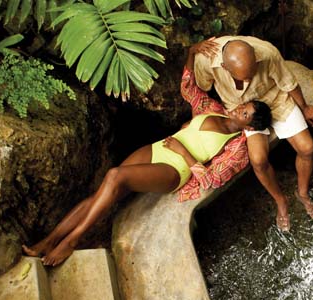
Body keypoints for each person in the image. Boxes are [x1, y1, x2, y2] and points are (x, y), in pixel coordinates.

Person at [22, 42, 272, 266]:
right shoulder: (213, 109)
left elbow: (211, 180)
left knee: (114, 176)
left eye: (244, 114)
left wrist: (183, 152)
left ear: (249, 127)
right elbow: (189, 88)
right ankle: (48, 241)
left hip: (175, 170)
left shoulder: (237, 147)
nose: (238, 109)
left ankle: (72, 241)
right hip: (159, 148)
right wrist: (191, 53)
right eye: (242, 106)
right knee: (103, 192)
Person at [193, 36, 313, 232]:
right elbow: (202, 87)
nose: (250, 80)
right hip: (243, 110)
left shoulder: (267, 52)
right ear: (226, 67)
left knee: (307, 147)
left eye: (253, 73)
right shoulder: (205, 59)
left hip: (274, 99)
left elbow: (287, 83)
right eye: (244, 77)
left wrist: (304, 107)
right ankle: (281, 200)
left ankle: (302, 193)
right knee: (258, 160)